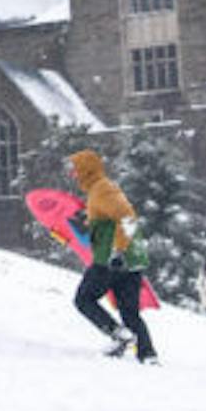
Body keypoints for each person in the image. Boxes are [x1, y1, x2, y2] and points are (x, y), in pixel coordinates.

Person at [67, 148, 159, 363]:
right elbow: (110, 221)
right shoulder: (101, 189)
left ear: (86, 170)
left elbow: (126, 217)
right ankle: (148, 355)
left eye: (76, 170)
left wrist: (119, 251)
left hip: (113, 258)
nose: (73, 174)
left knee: (84, 299)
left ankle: (119, 335)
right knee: (129, 312)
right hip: (131, 259)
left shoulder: (101, 189)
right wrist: (87, 222)